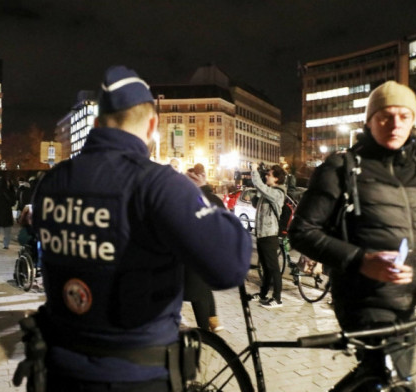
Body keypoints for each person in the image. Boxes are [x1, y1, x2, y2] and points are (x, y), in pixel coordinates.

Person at [22, 65, 251, 391]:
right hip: (135, 375)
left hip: (59, 371)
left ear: (98, 123)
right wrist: (204, 199)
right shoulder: (158, 185)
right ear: (153, 124)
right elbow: (229, 267)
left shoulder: (52, 182)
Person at [288, 81, 416, 389]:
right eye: (385, 116)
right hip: (362, 300)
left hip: (407, 302)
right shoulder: (341, 168)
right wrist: (361, 260)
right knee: (395, 381)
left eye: (404, 116)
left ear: (413, 120)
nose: (395, 124)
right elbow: (302, 231)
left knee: (381, 381)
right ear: (369, 120)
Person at [182, 163, 225, 332]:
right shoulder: (214, 199)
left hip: (196, 255)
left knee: (197, 292)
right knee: (201, 289)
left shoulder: (196, 200)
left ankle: (205, 333)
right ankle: (212, 321)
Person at [251, 163, 287, 308]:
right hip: (261, 234)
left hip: (270, 234)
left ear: (277, 179)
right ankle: (263, 294)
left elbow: (261, 187)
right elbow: (255, 201)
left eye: (269, 175)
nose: (266, 176)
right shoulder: (269, 191)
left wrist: (254, 171)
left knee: (273, 268)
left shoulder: (278, 193)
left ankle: (277, 298)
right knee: (265, 267)